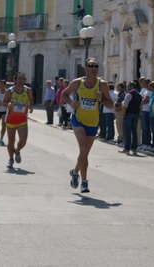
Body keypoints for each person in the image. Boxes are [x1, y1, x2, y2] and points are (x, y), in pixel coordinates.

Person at [61, 58, 113, 193]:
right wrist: (71, 103)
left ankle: (74, 172)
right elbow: (64, 94)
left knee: (84, 153)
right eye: (90, 65)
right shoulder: (78, 83)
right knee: (83, 148)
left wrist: (101, 100)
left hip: (93, 122)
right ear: (85, 68)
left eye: (95, 66)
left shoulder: (102, 85)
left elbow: (110, 104)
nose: (93, 68)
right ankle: (84, 182)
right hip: (78, 120)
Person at [2, 72, 33, 168]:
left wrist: (30, 106)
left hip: (22, 119)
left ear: (25, 80)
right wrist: (7, 105)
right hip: (11, 119)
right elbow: (3, 102)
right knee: (11, 141)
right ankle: (11, 159)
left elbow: (31, 99)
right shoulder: (10, 91)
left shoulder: (28, 90)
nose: (21, 80)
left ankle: (17, 150)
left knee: (23, 141)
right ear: (15, 80)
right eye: (19, 78)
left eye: (23, 78)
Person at [119, 81, 142, 155]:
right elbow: (140, 107)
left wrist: (123, 113)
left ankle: (127, 148)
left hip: (128, 114)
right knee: (134, 131)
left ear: (131, 86)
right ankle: (134, 148)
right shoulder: (139, 95)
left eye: (129, 86)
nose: (128, 87)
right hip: (136, 114)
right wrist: (138, 113)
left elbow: (125, 105)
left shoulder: (129, 95)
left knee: (127, 131)